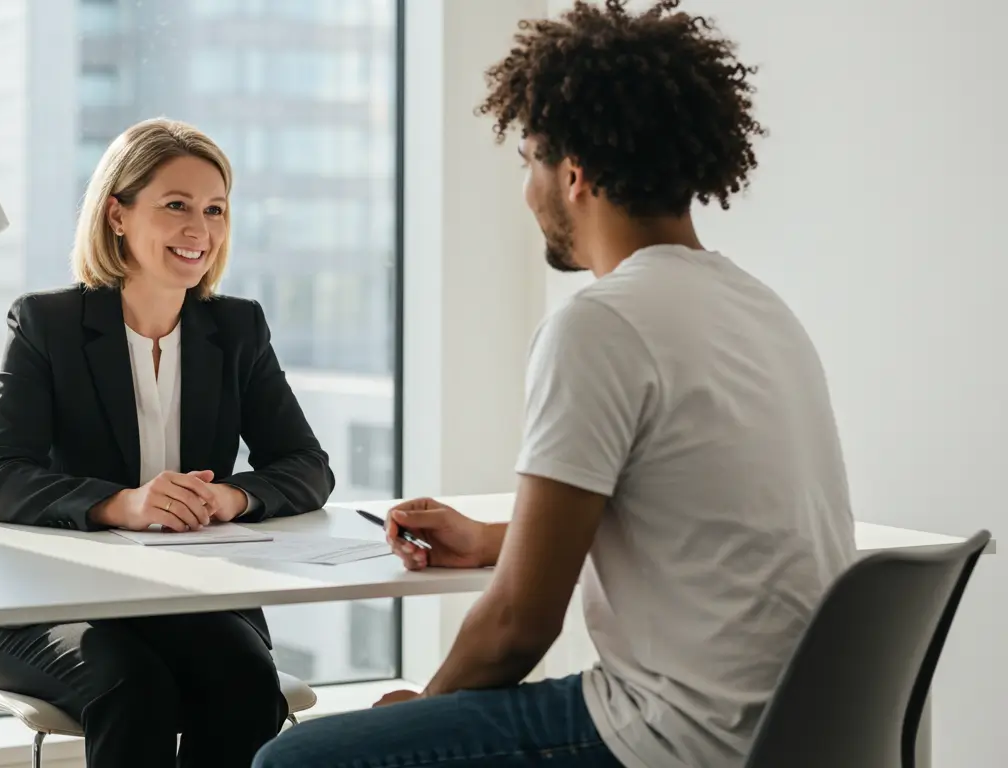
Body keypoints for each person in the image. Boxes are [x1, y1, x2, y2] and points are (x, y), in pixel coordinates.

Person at [254, 2, 855, 767]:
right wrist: (495, 541)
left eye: (529, 159)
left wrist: (424, 707)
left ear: (574, 174)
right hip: (793, 731)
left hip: (671, 739)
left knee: (294, 762)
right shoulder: (757, 308)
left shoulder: (601, 326)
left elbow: (517, 626)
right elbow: (688, 522)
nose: (528, 188)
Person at [0, 117, 335, 768]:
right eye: (176, 206)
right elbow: (0, 477)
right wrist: (123, 505)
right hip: (56, 605)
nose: (200, 229)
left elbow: (307, 467)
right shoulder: (48, 325)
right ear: (118, 214)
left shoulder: (236, 329)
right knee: (134, 689)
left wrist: (231, 498)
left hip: (190, 602)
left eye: (215, 210)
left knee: (247, 687)